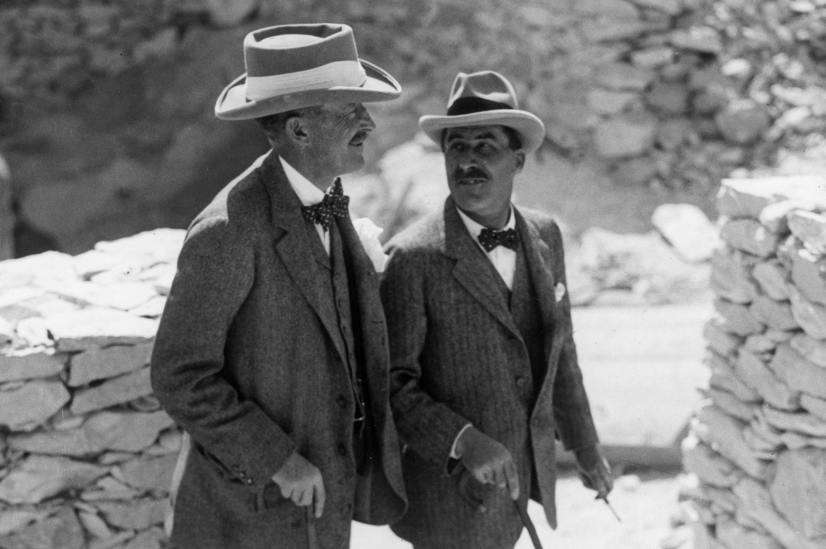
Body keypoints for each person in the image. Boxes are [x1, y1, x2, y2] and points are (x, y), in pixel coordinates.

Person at [150, 23, 406, 549]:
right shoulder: (229, 229)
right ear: (299, 129)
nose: (369, 121)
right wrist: (278, 461)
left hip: (320, 514)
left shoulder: (328, 200)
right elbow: (180, 375)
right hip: (248, 516)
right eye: (349, 108)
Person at [379, 70, 613, 549]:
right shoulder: (412, 257)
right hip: (449, 499)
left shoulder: (545, 235)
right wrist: (463, 440)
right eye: (456, 147)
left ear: (518, 160)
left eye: (485, 146)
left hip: (523, 481)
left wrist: (585, 446)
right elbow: (391, 385)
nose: (468, 161)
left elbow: (560, 353)